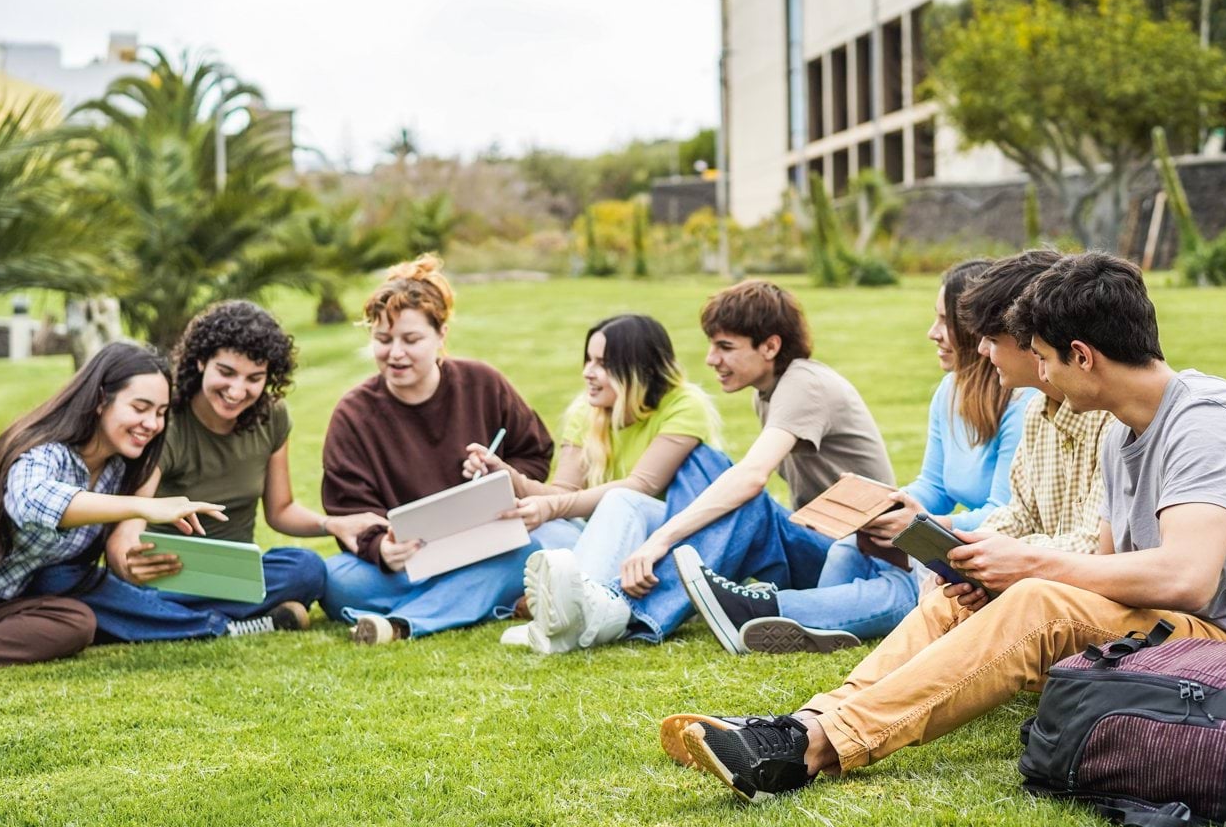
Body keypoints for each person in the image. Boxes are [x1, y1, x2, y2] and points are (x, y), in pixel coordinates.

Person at [665, 251, 1226, 803]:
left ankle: (815, 749)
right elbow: (1105, 570)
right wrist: (999, 580)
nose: (1032, 373)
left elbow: (1187, 578)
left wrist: (1029, 569)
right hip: (1167, 635)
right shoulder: (1122, 436)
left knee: (1038, 595)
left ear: (1083, 355)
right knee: (958, 603)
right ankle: (801, 724)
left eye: (1041, 357)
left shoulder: (1210, 422)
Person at [676, 258, 1040, 654]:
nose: (932, 333)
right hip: (954, 539)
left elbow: (1005, 511)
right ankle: (814, 624)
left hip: (995, 548)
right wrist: (888, 508)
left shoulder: (1022, 403)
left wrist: (926, 523)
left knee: (902, 586)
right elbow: (932, 484)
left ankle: (767, 610)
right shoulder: (949, 392)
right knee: (852, 545)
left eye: (943, 321)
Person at [519, 279, 895, 654]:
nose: (711, 359)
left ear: (770, 346)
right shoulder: (768, 395)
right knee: (703, 463)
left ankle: (621, 607)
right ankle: (597, 599)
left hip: (858, 557)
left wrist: (661, 538)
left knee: (743, 498)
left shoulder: (804, 385)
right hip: (819, 540)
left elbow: (751, 477)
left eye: (725, 347)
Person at [319, 255, 558, 645]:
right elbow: (348, 510)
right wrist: (381, 545)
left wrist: (500, 472)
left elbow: (534, 454)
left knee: (540, 546)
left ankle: (402, 623)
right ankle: (487, 596)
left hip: (486, 543)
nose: (395, 353)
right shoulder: (353, 413)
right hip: (408, 561)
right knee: (335, 582)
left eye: (411, 340)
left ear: (441, 335)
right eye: (383, 340)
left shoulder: (482, 383)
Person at [81, 303, 345, 641]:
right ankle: (226, 625)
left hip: (234, 578)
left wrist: (330, 523)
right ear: (201, 360)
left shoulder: (272, 418)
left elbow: (281, 511)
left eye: (254, 378)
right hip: (166, 577)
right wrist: (126, 562)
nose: (237, 391)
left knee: (306, 569)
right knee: (92, 592)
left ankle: (161, 624)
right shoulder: (168, 422)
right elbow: (130, 522)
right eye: (226, 372)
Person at [0, 343, 233, 668]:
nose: (152, 424)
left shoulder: (118, 470)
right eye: (140, 408)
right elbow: (31, 503)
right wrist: (142, 507)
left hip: (1, 606)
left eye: (160, 412)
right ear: (100, 400)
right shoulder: (45, 452)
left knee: (77, 621)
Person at [481, 314, 723, 651]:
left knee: (621, 500)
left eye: (603, 364)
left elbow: (642, 485)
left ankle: (572, 616)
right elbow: (563, 494)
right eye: (588, 360)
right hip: (614, 540)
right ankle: (570, 607)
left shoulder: (684, 404)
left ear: (641, 369)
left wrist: (550, 507)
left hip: (673, 540)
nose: (588, 372)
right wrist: (511, 478)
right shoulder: (588, 410)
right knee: (542, 528)